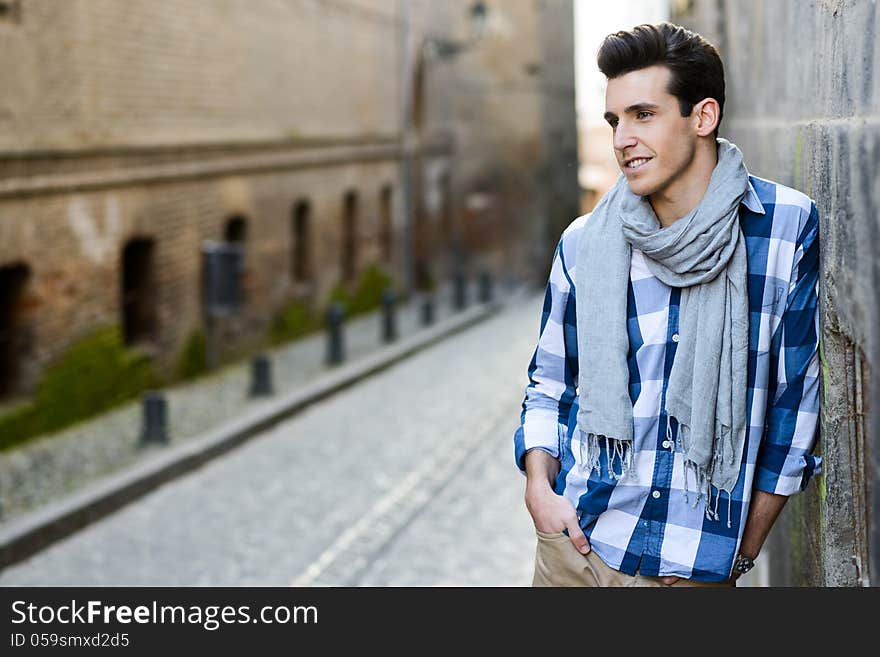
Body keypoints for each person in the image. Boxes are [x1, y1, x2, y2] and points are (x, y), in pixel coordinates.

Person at [513, 22, 821, 587]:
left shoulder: (783, 227)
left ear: (702, 117)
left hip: (697, 567)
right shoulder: (584, 243)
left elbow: (793, 407)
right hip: (581, 550)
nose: (621, 138)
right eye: (614, 120)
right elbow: (550, 381)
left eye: (643, 115)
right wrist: (541, 491)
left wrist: (741, 551)